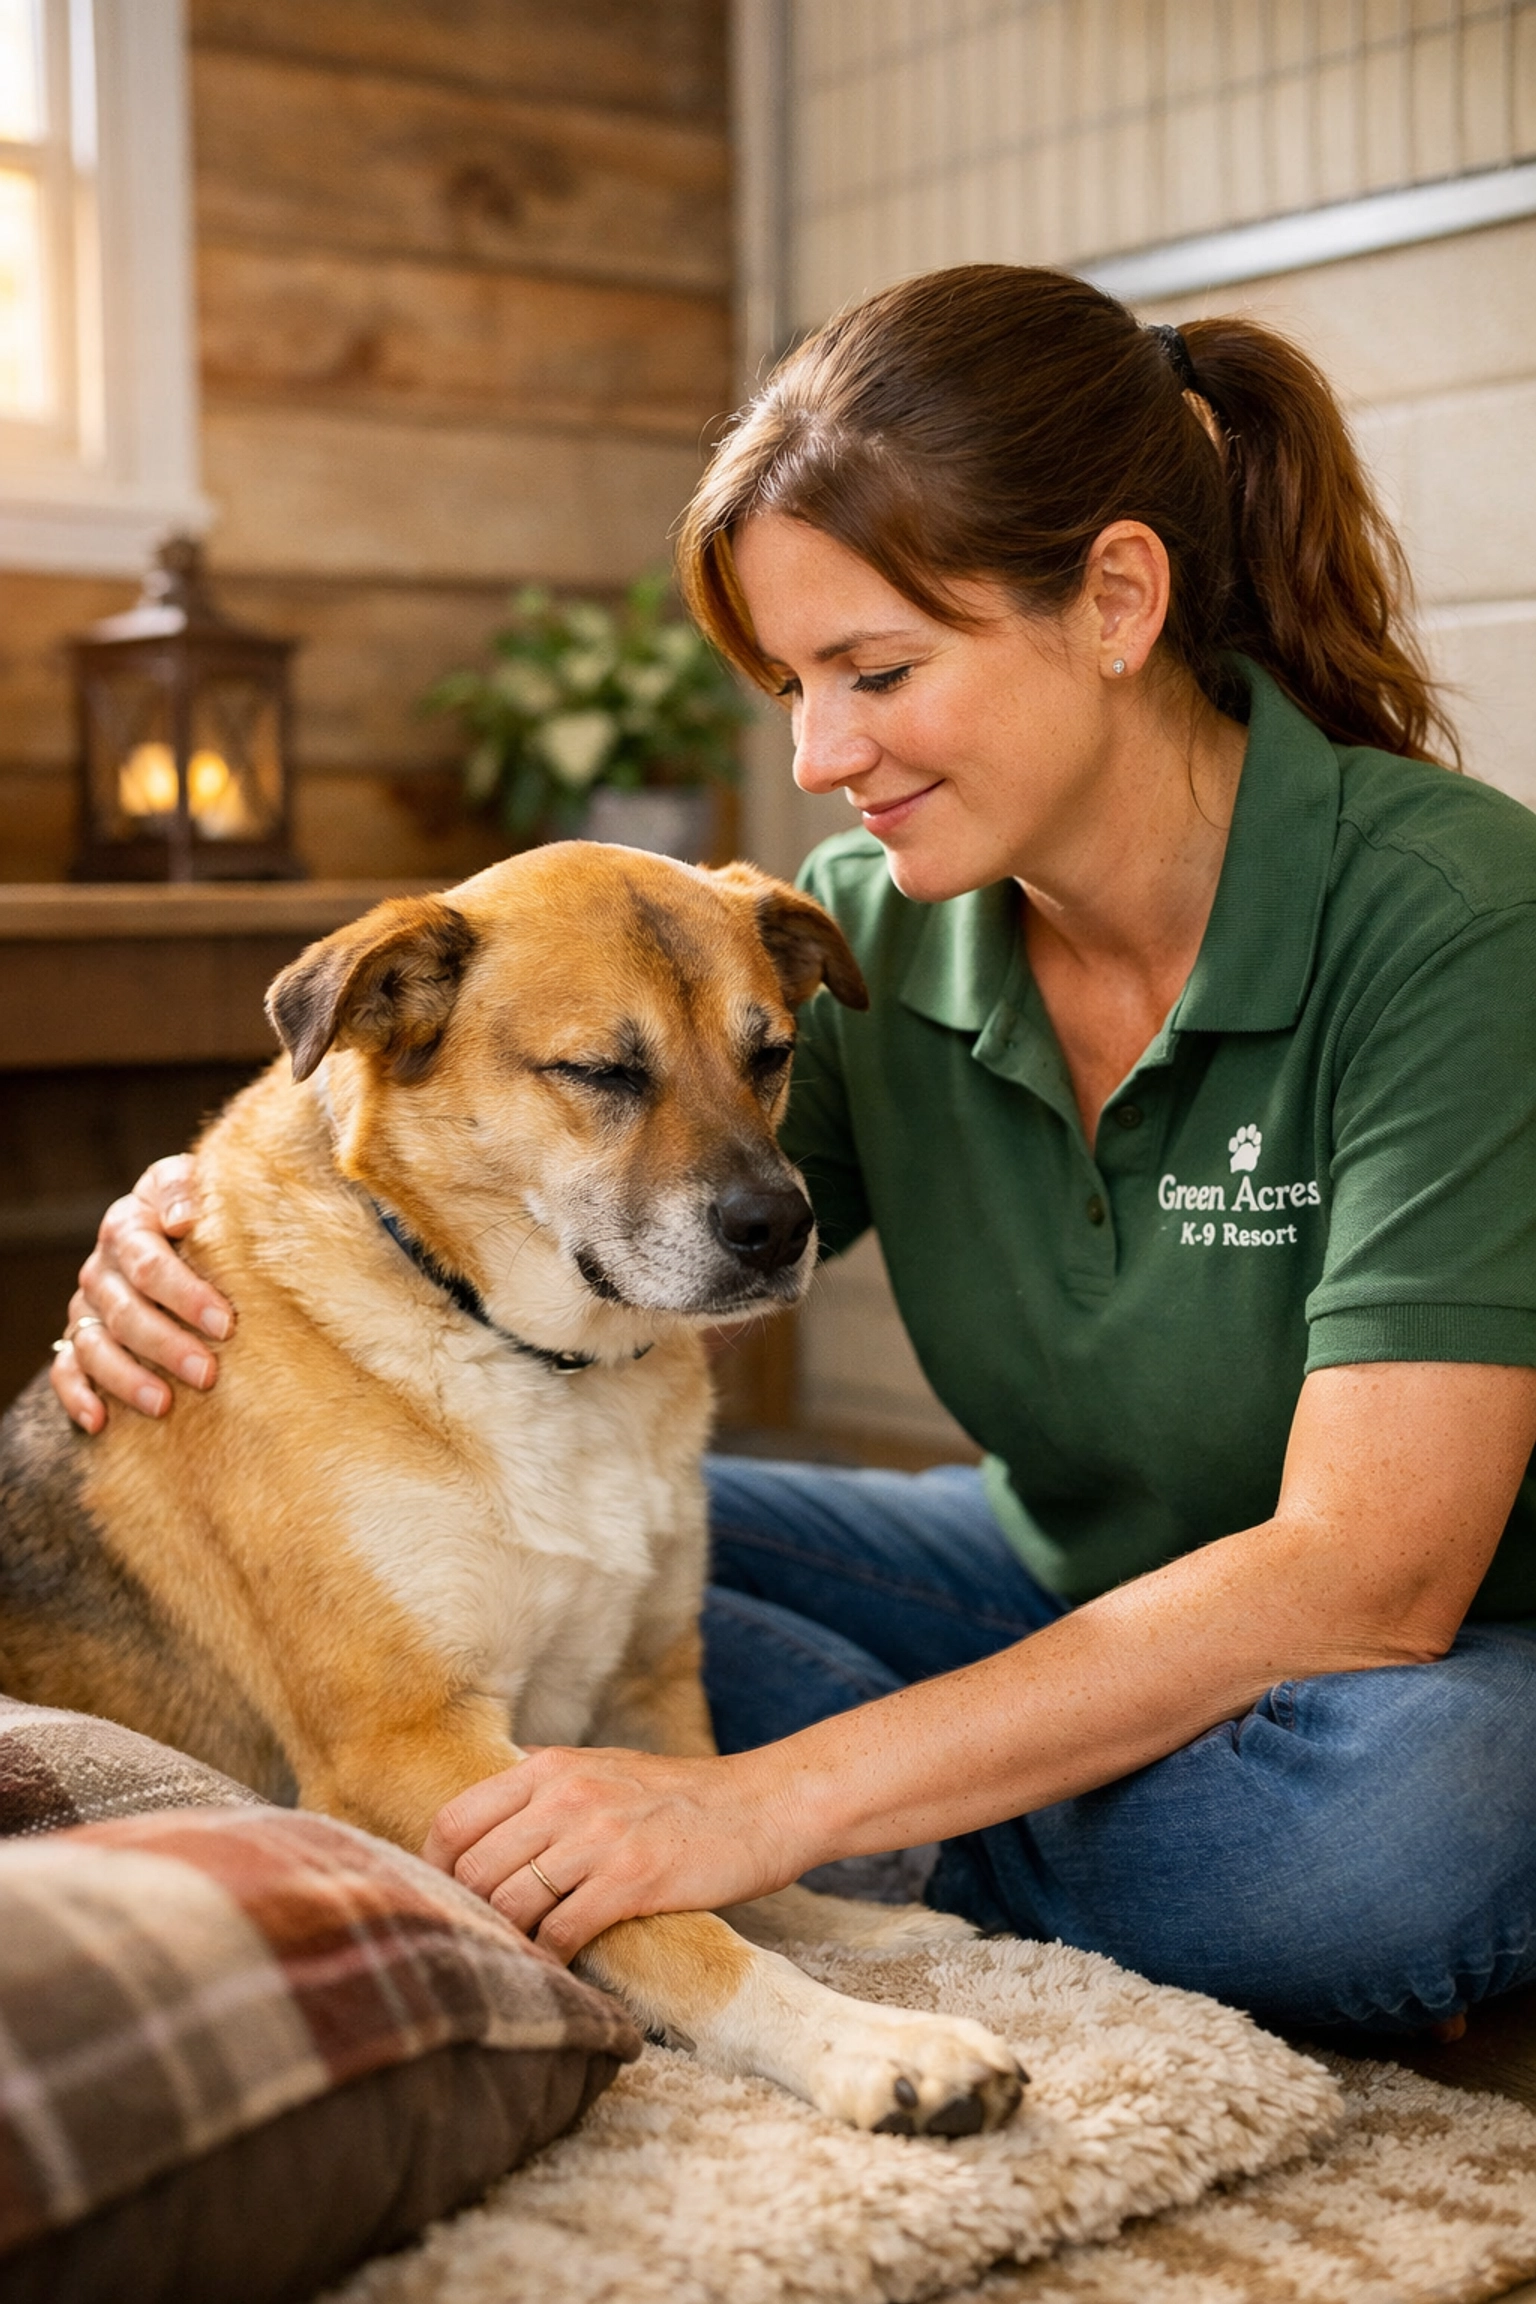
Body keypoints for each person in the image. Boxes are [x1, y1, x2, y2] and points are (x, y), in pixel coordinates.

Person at [51, 266, 1536, 2039]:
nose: (821, 754)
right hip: (1046, 1577)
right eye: (791, 683)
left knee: (1413, 1829)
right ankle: (979, 1831)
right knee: (531, 1541)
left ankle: (885, 1863)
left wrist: (765, 1799)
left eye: (877, 670)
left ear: (1119, 599)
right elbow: (560, 1202)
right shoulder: (862, 930)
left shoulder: (1454, 921)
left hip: (1419, 1663)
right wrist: (193, 1234)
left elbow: (1375, 1574)